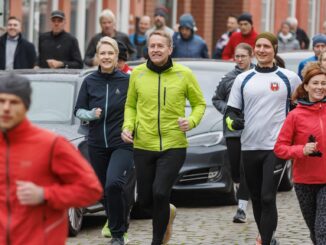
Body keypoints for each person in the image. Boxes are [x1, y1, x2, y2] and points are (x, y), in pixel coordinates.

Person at [121, 30, 206, 245]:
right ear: (147, 49)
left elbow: (199, 104)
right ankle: (168, 212)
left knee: (160, 192)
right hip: (143, 144)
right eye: (152, 46)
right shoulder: (138, 74)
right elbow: (130, 105)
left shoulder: (183, 74)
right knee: (146, 201)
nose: (156, 50)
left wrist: (192, 121)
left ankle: (156, 241)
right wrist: (128, 126)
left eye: (160, 46)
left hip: (173, 144)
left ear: (170, 49)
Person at [0, 73, 102, 245]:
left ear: (26, 106)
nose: (6, 108)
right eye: (1, 101)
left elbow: (91, 190)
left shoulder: (52, 144)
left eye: (14, 102)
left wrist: (45, 195)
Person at [226, 32, 301, 245]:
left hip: (277, 146)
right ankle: (268, 236)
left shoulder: (290, 78)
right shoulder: (243, 79)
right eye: (258, 46)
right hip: (249, 146)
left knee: (268, 196)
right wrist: (235, 122)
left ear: (274, 49)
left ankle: (265, 241)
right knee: (257, 198)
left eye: (266, 46)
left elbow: (300, 108)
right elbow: (230, 113)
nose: (261, 50)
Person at [75, 36, 134, 245]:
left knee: (114, 184)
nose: (107, 57)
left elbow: (137, 110)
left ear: (117, 57)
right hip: (97, 143)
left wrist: (132, 129)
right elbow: (79, 111)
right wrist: (91, 115)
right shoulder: (89, 81)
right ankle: (118, 221)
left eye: (110, 53)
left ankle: (118, 234)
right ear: (97, 57)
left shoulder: (127, 81)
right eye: (103, 53)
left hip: (122, 143)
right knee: (101, 190)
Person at [274, 62, 326, 245]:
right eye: (315, 83)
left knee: (322, 231)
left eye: (324, 83)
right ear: (306, 86)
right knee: (314, 230)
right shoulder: (295, 115)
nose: (320, 87)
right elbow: (280, 148)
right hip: (304, 182)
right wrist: (301, 150)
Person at [212, 43, 254, 224]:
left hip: (252, 130)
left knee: (246, 169)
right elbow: (216, 99)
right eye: (237, 56)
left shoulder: (256, 76)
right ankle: (239, 187)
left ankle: (241, 209)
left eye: (243, 56)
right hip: (232, 131)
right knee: (236, 169)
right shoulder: (228, 78)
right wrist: (228, 111)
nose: (240, 59)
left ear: (250, 57)